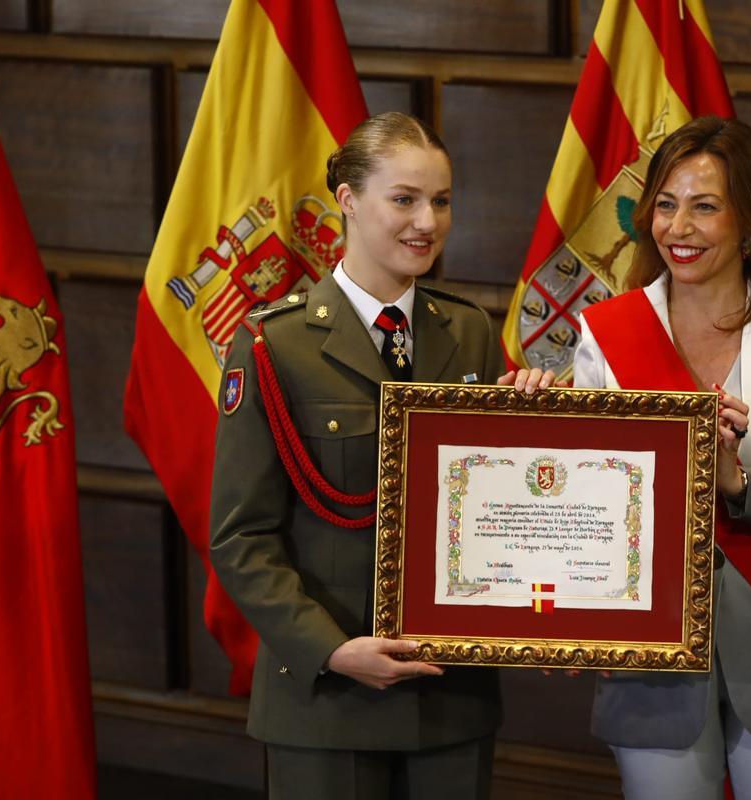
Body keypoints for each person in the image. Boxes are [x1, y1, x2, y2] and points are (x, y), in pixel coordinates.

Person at [512, 115, 751, 799]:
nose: (679, 228)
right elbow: (582, 512)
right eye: (666, 205)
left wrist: (741, 485)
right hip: (650, 662)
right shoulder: (606, 332)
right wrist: (526, 419)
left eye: (705, 206)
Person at [209, 112, 548, 800]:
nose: (428, 220)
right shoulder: (276, 346)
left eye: (442, 200)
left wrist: (536, 422)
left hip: (451, 696)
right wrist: (330, 650)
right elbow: (241, 537)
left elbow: (487, 510)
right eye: (405, 199)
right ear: (348, 201)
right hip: (328, 700)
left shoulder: (470, 330)